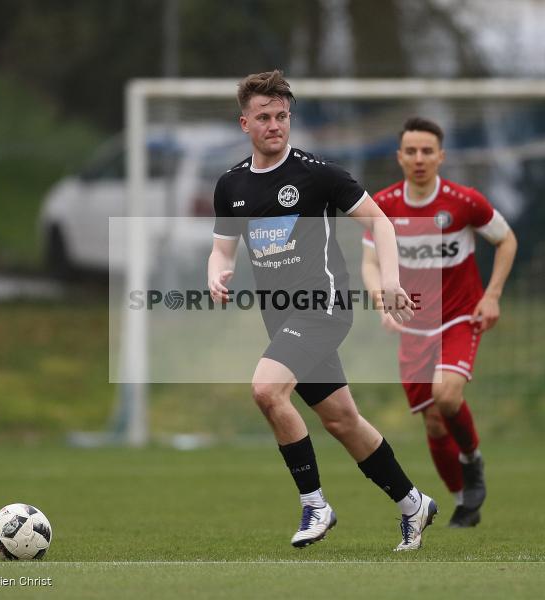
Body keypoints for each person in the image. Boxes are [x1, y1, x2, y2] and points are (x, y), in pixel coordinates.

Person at [208, 71, 437, 551]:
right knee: (342, 421)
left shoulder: (318, 174)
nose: (275, 125)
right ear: (244, 123)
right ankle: (413, 503)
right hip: (282, 319)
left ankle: (315, 503)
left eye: (282, 116)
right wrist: (216, 272)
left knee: (267, 391)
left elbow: (382, 222)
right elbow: (223, 250)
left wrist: (391, 281)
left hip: (323, 308)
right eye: (264, 117)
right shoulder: (231, 186)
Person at [361, 117, 517, 528]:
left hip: (459, 317)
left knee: (446, 396)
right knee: (433, 419)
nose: (418, 158)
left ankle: (472, 459)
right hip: (413, 325)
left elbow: (506, 239)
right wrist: (381, 302)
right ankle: (465, 500)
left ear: (441, 156)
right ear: (399, 157)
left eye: (427, 151)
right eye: (410, 151)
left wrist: (493, 295)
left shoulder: (464, 201)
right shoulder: (384, 206)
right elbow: (370, 262)